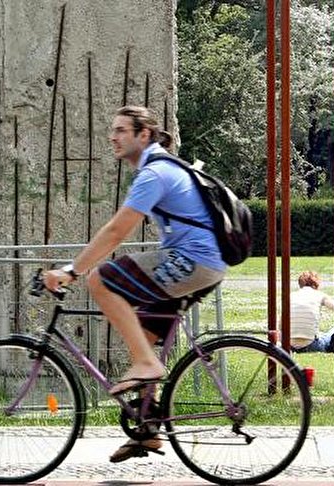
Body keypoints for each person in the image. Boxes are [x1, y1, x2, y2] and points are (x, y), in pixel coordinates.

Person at [42, 105, 226, 462]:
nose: (113, 136)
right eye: (113, 130)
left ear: (144, 135)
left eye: (122, 130)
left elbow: (115, 231)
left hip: (193, 262)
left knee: (101, 280)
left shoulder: (154, 174)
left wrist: (72, 271)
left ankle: (148, 366)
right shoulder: (157, 169)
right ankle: (147, 430)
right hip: (201, 263)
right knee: (142, 335)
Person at [288, 270, 334, 353]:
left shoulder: (291, 296)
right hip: (311, 345)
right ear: (316, 284)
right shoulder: (320, 295)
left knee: (322, 334)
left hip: (290, 345)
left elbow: (280, 324)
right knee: (332, 331)